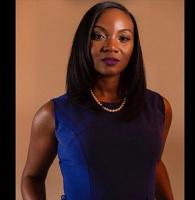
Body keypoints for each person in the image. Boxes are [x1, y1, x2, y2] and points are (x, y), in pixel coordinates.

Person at [21, 1, 174, 200]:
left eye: (123, 38)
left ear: (134, 47)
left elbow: (154, 164)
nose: (111, 46)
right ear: (84, 42)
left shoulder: (159, 108)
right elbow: (31, 177)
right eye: (98, 35)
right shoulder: (52, 114)